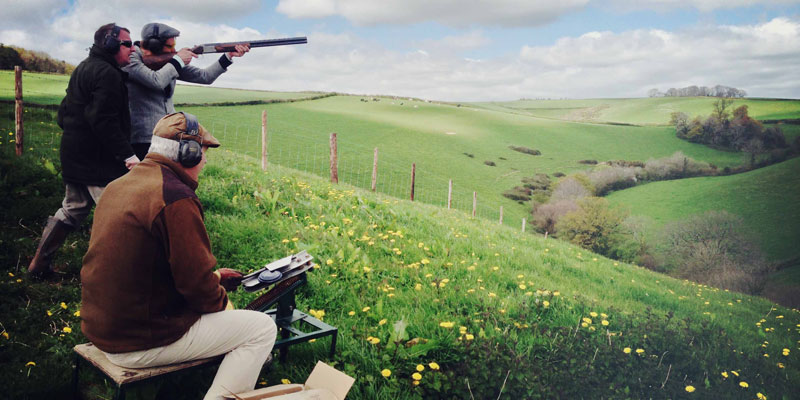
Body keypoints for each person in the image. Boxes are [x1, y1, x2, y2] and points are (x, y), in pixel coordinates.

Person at [80, 112, 276, 400]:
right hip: (136, 343)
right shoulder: (176, 198)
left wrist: (216, 277)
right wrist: (223, 304)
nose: (205, 161)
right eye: (204, 152)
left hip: (103, 329)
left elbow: (146, 266)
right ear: (188, 153)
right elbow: (197, 287)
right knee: (261, 328)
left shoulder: (117, 186)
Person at [28, 23, 139, 277]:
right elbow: (103, 121)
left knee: (72, 208)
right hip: (97, 163)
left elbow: (63, 113)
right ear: (110, 44)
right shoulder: (108, 74)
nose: (133, 49)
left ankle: (38, 266)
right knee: (118, 217)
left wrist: (76, 137)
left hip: (74, 156)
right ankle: (109, 278)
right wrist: (128, 154)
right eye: (127, 44)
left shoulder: (83, 67)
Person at [124, 22, 249, 160]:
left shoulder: (169, 61)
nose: (174, 49)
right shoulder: (131, 58)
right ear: (155, 46)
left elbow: (205, 76)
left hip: (170, 135)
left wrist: (228, 56)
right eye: (170, 46)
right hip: (143, 139)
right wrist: (178, 60)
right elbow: (156, 81)